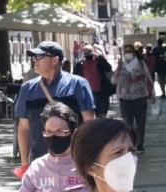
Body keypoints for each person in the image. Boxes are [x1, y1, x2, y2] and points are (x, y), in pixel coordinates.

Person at [15, 41, 95, 176]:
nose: (35, 60)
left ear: (55, 60)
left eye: (40, 57)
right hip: (40, 164)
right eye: (34, 57)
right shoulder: (27, 89)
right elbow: (23, 129)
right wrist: (25, 165)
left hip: (74, 164)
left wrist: (90, 159)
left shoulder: (77, 84)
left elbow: (90, 124)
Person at [113, 44, 155, 153]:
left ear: (134, 52)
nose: (127, 54)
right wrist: (118, 66)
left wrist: (152, 93)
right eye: (125, 52)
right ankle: (131, 144)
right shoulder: (121, 64)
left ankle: (140, 144)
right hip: (125, 98)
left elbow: (149, 78)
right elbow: (113, 81)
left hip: (140, 97)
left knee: (140, 123)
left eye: (129, 51)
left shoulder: (141, 63)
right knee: (127, 124)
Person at [73, 44, 114, 118]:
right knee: (89, 118)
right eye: (85, 52)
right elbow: (74, 78)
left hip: (101, 94)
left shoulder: (99, 61)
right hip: (86, 95)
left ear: (92, 52)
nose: (86, 54)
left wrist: (100, 58)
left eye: (88, 52)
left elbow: (108, 68)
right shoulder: (79, 65)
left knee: (101, 116)